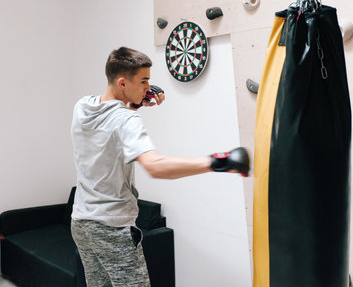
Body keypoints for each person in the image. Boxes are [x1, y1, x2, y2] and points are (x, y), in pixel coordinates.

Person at [70, 46, 249, 287]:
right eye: (144, 81)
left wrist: (136, 103)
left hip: (81, 223)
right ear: (122, 83)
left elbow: (108, 125)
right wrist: (218, 162)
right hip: (112, 227)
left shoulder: (83, 106)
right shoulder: (126, 120)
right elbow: (155, 166)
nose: (147, 88)